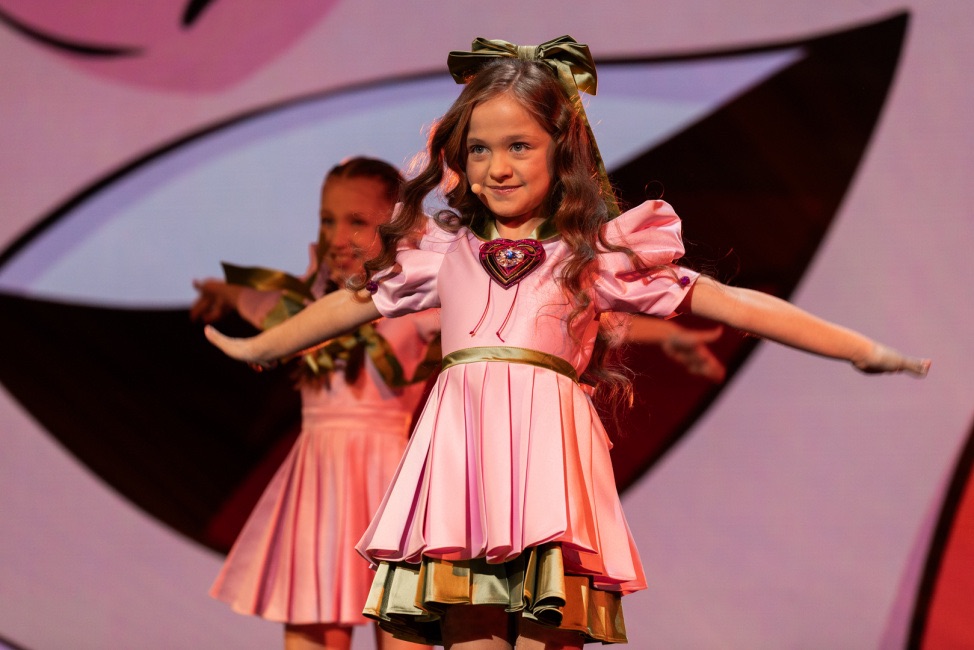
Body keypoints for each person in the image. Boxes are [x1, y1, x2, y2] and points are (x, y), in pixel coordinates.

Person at [203, 38, 929, 650]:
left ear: (562, 149)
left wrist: (859, 347)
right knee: (468, 626)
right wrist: (255, 348)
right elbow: (346, 306)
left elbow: (733, 302)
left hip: (547, 473)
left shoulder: (595, 254)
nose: (498, 166)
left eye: (519, 144)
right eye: (480, 149)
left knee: (550, 628)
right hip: (462, 479)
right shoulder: (445, 255)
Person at [194, 157, 436, 650]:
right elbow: (258, 305)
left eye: (357, 222)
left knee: (403, 631)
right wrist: (222, 291)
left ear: (396, 225)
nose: (338, 235)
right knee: (312, 630)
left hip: (391, 488)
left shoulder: (414, 304)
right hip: (318, 487)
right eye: (328, 220)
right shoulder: (305, 305)